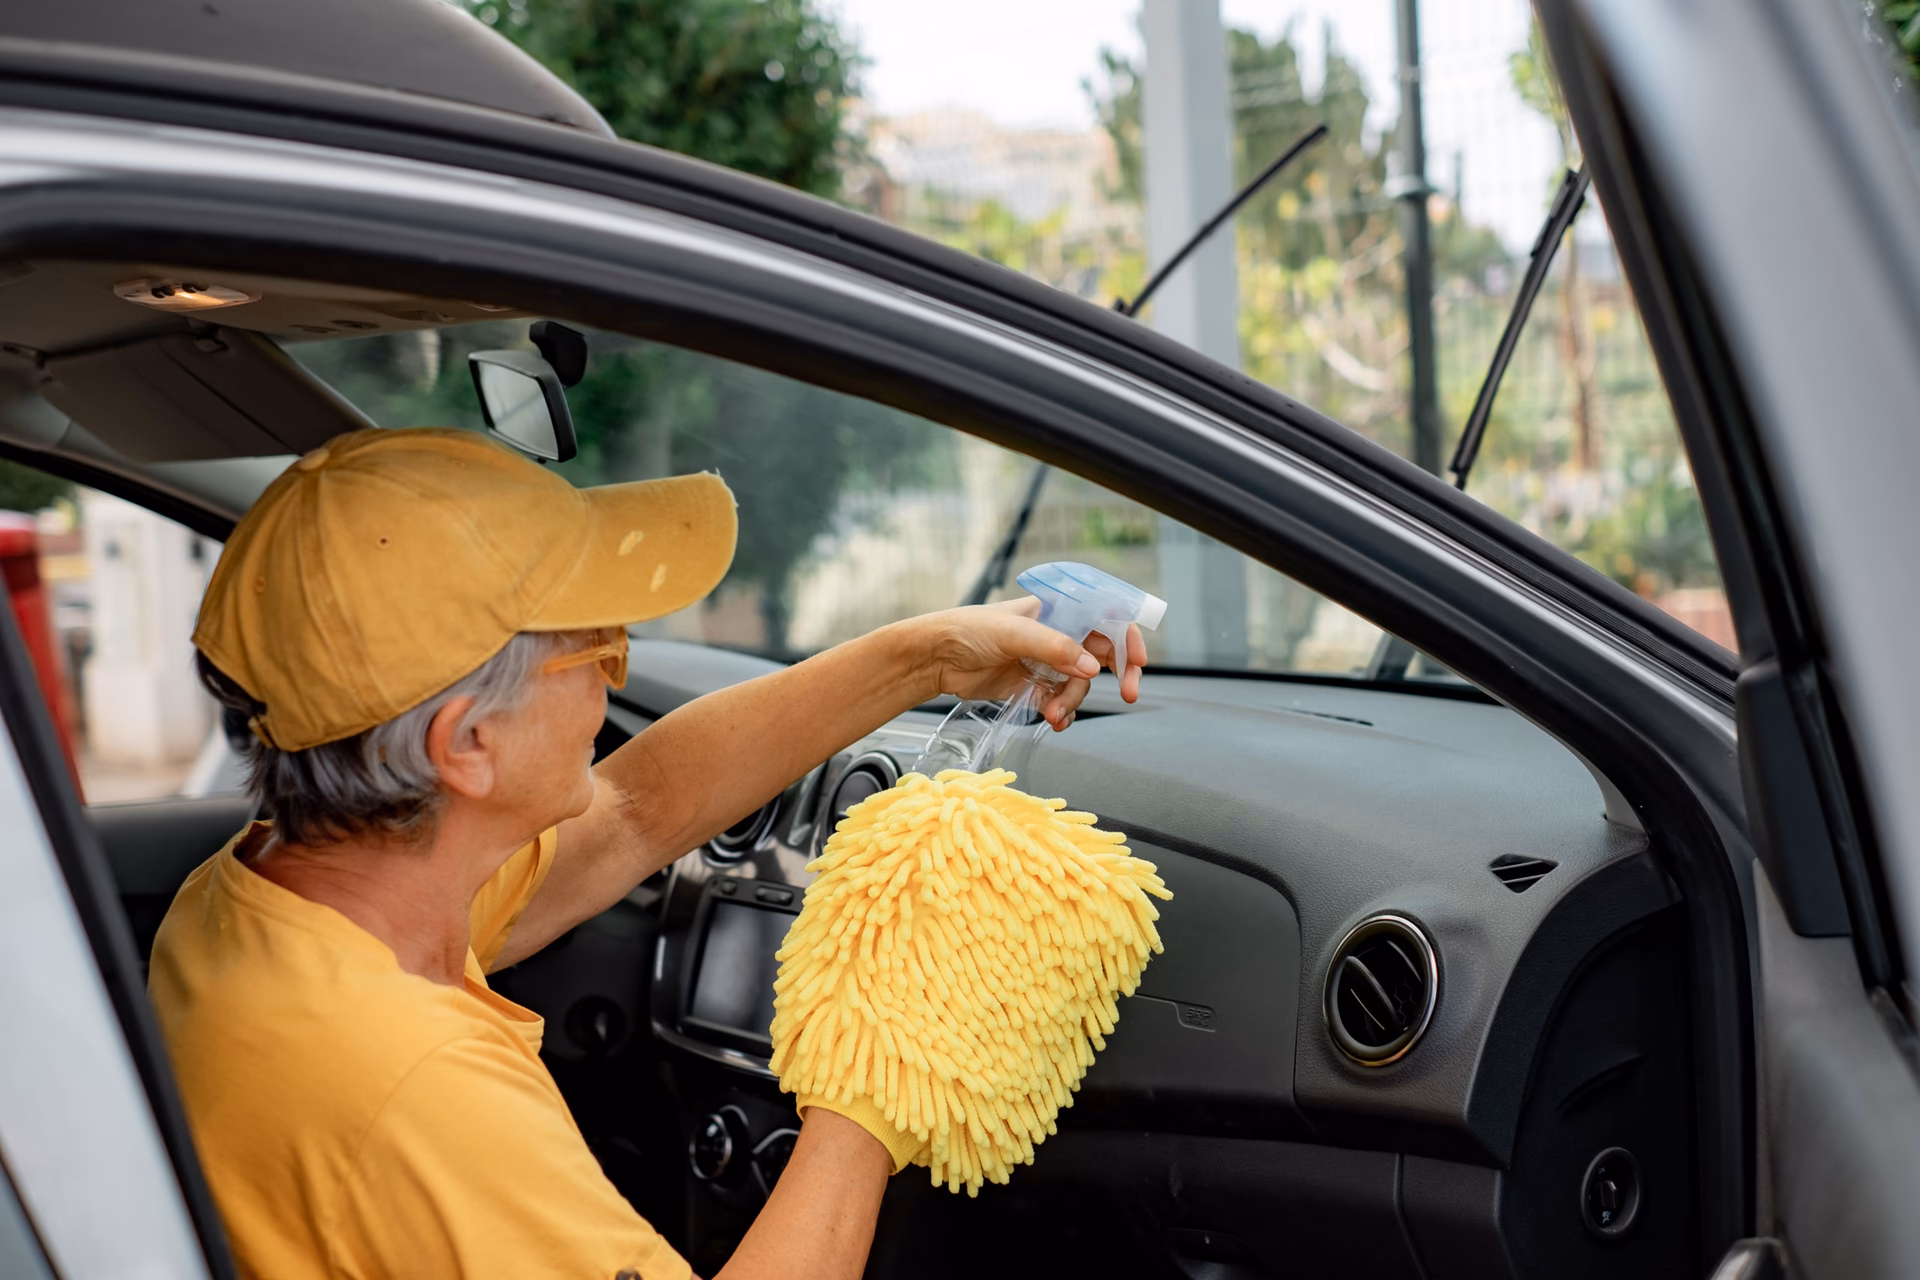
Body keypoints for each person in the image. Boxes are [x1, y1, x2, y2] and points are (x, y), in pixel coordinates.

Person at [148, 427, 1147, 1280]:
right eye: (597, 650)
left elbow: (634, 808)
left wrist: (922, 657)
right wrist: (881, 1073)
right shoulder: (412, 1082)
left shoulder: (261, 903)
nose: (619, 668)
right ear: (468, 744)